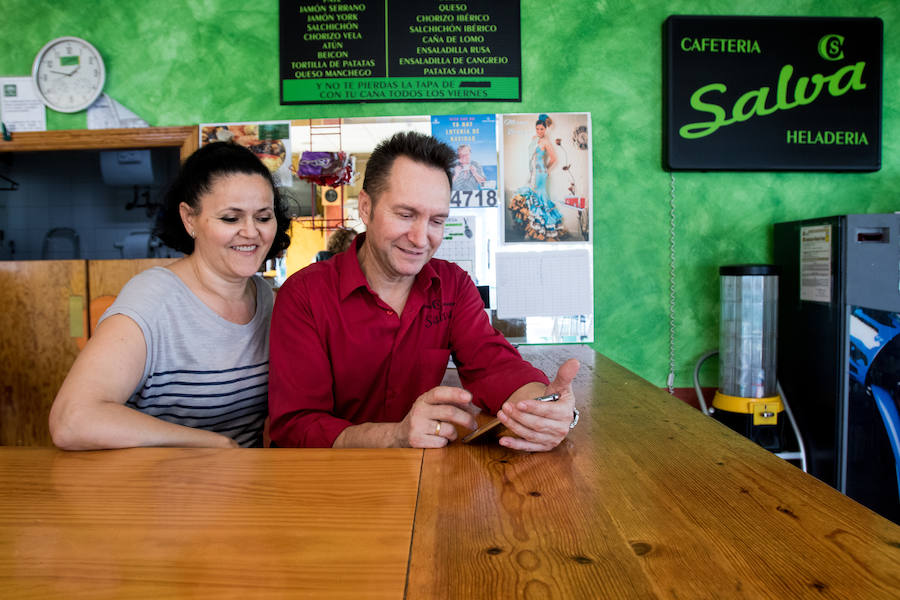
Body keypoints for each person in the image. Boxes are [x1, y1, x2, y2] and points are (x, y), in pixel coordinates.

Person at [268, 131, 580, 451]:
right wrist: (393, 437)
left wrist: (544, 408)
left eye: (437, 221)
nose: (421, 238)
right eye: (406, 215)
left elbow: (494, 365)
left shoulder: (453, 285)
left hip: (426, 478)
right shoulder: (304, 295)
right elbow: (295, 426)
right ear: (365, 207)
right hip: (328, 483)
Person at [49, 142, 292, 450]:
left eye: (263, 217)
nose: (251, 232)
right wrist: (214, 444)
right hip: (161, 488)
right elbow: (72, 420)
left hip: (244, 486)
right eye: (231, 218)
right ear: (190, 219)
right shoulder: (152, 299)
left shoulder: (267, 299)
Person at [509, 114, 566, 241]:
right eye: (537, 129)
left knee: (539, 197)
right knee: (530, 196)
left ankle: (543, 230)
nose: (539, 131)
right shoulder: (534, 138)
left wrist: (547, 170)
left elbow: (554, 158)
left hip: (540, 173)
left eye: (542, 129)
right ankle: (533, 229)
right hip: (532, 171)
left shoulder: (546, 142)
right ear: (535, 129)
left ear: (545, 129)